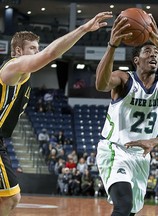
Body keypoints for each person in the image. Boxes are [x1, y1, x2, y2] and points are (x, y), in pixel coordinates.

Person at [0, 11, 112, 215]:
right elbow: (50, 54)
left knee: (9, 198)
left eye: (37, 48)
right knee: (10, 198)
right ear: (17, 50)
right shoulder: (14, 67)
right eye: (32, 49)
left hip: (1, 139)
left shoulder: (23, 76)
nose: (37, 52)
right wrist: (84, 28)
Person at [95, 12, 158, 216]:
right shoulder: (124, 79)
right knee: (123, 205)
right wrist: (112, 46)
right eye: (148, 51)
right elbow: (100, 84)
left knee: (131, 211)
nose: (154, 55)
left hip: (142, 156)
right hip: (115, 150)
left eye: (156, 53)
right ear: (136, 59)